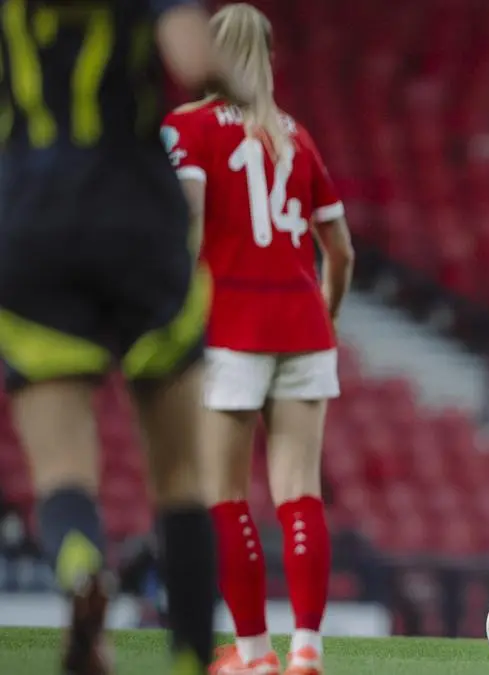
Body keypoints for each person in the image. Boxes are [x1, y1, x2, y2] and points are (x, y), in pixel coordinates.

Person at [0, 1, 248, 673]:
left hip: (28, 223)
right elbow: (194, 62)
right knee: (182, 476)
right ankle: (191, 657)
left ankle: (82, 567)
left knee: (61, 471)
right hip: (137, 216)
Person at [161, 5, 354, 674]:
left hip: (231, 326)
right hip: (303, 326)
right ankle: (306, 650)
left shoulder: (184, 129)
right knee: (300, 491)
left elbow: (185, 221)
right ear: (268, 58)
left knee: (225, 493)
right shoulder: (296, 137)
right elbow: (342, 251)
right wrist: (324, 313)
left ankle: (252, 656)